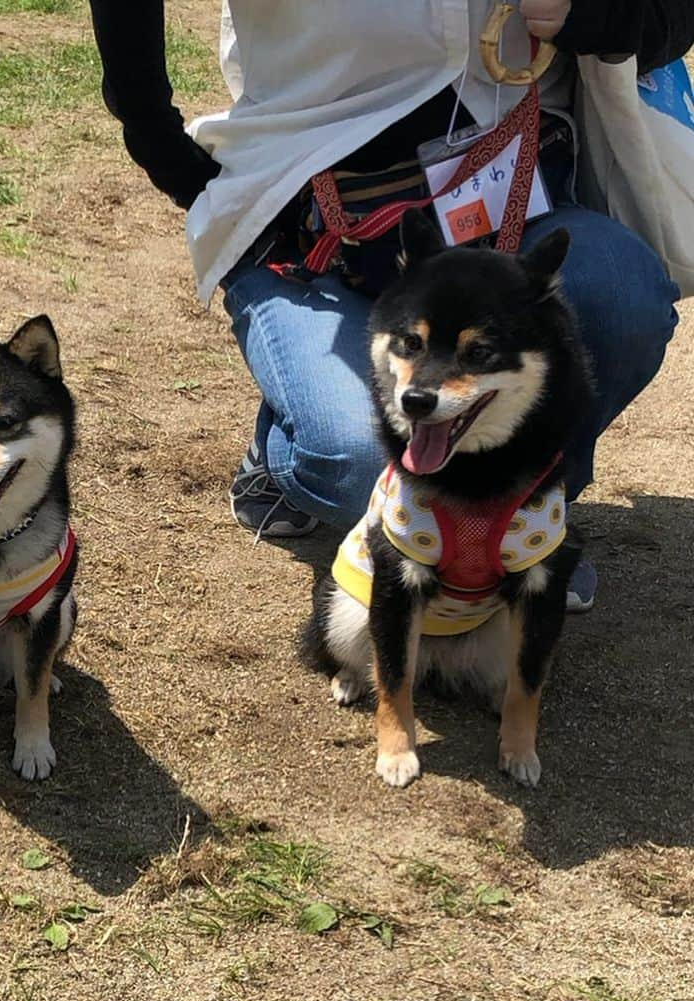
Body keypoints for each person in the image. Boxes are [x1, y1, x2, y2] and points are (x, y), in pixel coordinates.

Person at [88, 0, 694, 611]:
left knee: (622, 295)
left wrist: (584, 15)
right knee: (361, 462)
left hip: (514, 197)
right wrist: (156, 141)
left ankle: (531, 509)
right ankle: (283, 447)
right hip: (311, 217)